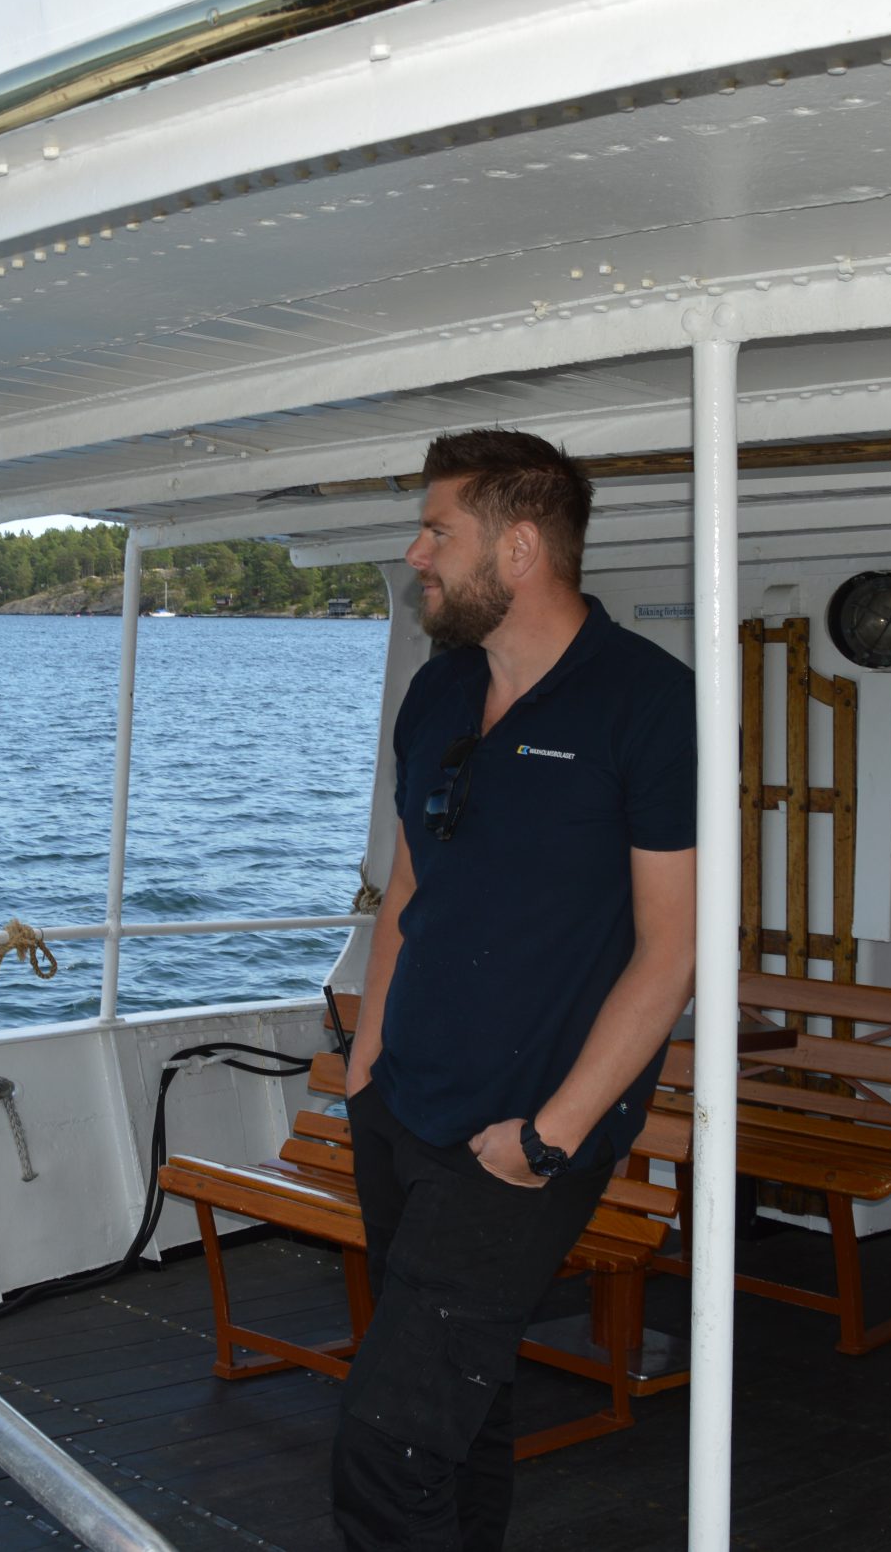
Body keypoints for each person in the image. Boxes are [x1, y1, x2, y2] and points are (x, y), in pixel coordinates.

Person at [334, 428, 698, 1551]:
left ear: (521, 547)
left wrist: (549, 1136)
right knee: (465, 1408)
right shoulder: (438, 692)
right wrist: (365, 1063)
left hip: (519, 1135)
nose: (417, 554)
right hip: (401, 1108)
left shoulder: (648, 702)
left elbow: (670, 949)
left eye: (437, 531)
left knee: (387, 1440)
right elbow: (409, 886)